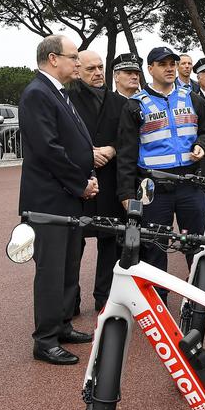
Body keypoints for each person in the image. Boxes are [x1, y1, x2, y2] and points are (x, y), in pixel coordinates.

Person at [19, 35, 97, 366]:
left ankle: (63, 324)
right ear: (53, 59)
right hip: (49, 201)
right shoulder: (38, 94)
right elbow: (49, 149)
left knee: (68, 266)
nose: (77, 63)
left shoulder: (57, 92)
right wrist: (81, 183)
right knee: (51, 270)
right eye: (73, 57)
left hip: (65, 198)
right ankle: (45, 339)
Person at [116, 46, 205, 274]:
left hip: (190, 184)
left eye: (172, 64)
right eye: (163, 64)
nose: (170, 68)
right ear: (150, 69)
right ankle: (158, 301)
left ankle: (199, 301)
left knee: (196, 244)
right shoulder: (135, 105)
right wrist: (126, 194)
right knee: (154, 248)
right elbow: (126, 154)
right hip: (153, 188)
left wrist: (202, 145)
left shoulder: (193, 99)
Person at [69, 50, 127, 313]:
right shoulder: (66, 99)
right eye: (90, 68)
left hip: (110, 180)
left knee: (111, 241)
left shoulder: (118, 102)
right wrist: (88, 155)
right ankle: (69, 302)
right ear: (77, 70)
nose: (97, 73)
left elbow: (127, 139)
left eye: (100, 67)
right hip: (77, 181)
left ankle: (105, 297)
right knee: (73, 244)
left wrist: (112, 149)